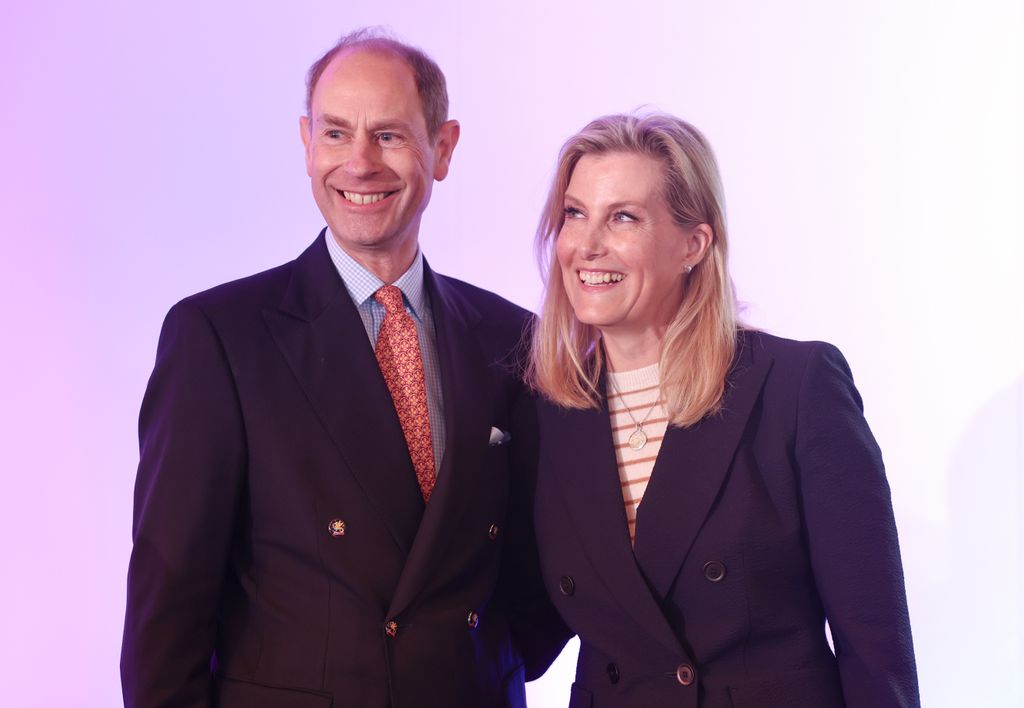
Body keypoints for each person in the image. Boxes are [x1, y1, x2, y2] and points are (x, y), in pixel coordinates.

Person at [121, 29, 566, 708]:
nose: (359, 164)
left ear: (441, 149)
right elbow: (168, 609)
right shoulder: (220, 337)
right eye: (335, 134)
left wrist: (487, 657)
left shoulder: (512, 338)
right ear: (306, 143)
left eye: (388, 135)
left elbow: (542, 572)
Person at [527, 113, 920, 707]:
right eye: (575, 214)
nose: (586, 244)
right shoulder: (552, 412)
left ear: (694, 244)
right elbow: (529, 629)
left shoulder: (794, 387)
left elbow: (876, 650)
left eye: (623, 217)